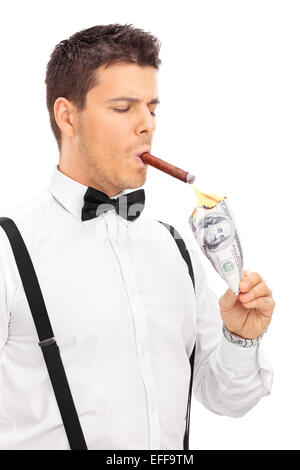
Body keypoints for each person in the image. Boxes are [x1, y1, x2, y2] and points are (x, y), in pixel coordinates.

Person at [0, 23, 275, 450]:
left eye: (152, 107)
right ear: (67, 116)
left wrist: (240, 338)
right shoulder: (8, 250)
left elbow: (227, 400)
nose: (147, 125)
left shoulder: (177, 248)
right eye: (124, 108)